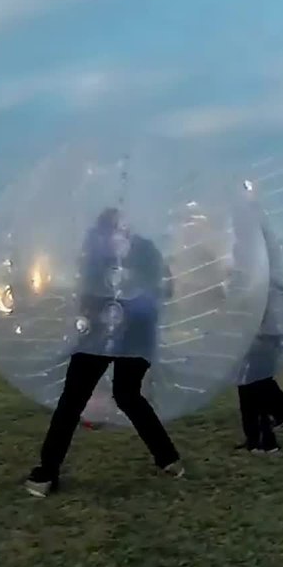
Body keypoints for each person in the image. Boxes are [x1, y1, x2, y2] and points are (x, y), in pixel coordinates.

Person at [23, 207, 186, 498]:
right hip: (111, 333)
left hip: (125, 333)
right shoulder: (108, 252)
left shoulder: (135, 250)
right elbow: (86, 291)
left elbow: (164, 288)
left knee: (97, 397)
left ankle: (47, 473)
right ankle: (168, 459)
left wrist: (130, 296)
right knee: (102, 397)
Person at [235, 218, 283, 453]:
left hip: (268, 330)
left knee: (254, 382)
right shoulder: (266, 261)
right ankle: (256, 440)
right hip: (263, 329)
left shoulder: (266, 265)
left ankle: (279, 421)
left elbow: (256, 292)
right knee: (247, 384)